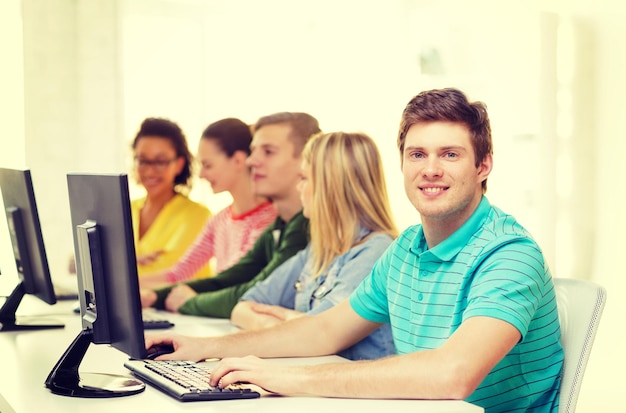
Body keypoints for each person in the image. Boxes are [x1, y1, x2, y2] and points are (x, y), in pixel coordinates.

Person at [146, 88, 565, 412]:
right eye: (417, 154)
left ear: (483, 165)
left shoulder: (510, 254)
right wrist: (206, 349)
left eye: (450, 154)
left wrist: (288, 378)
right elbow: (326, 329)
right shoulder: (407, 249)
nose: (431, 169)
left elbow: (451, 375)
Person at [231, 132, 398, 360]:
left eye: (303, 178)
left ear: (330, 186)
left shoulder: (375, 251)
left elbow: (323, 333)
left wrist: (292, 326)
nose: (299, 187)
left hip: (363, 390)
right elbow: (243, 306)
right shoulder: (319, 250)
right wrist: (278, 324)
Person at [140, 112, 321, 318]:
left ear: (306, 161)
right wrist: (156, 296)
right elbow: (230, 278)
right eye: (253, 151)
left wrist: (190, 302)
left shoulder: (303, 226)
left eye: (268, 152)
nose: (251, 161)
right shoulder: (280, 225)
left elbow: (253, 294)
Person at [139, 118, 277, 290]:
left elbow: (233, 284)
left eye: (208, 165)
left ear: (238, 161)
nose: (202, 175)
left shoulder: (268, 221)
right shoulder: (219, 221)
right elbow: (179, 273)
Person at [131, 117, 211, 278]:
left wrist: (121, 264)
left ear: (179, 164)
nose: (150, 170)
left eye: (160, 161)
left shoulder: (197, 215)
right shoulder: (123, 209)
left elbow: (170, 275)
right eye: (143, 160)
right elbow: (81, 261)